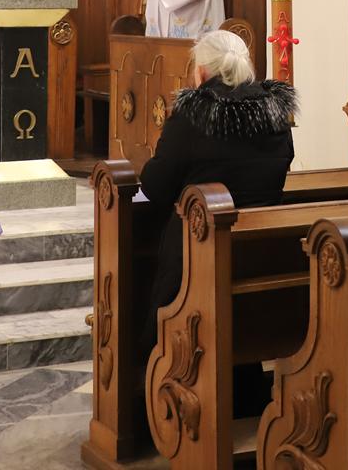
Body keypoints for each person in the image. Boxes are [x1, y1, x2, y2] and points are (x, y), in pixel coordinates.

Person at [139, 30, 296, 413]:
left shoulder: (194, 115)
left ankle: (156, 408)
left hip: (197, 257)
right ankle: (245, 395)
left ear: (202, 71)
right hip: (259, 256)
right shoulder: (276, 113)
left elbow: (156, 185)